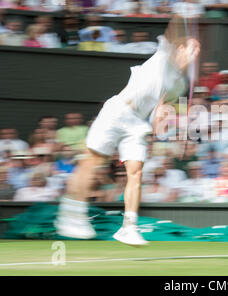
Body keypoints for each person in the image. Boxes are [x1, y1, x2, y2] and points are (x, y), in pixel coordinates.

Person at [55, 17, 200, 246]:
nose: (194, 54)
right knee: (92, 163)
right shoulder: (164, 55)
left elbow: (159, 110)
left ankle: (129, 227)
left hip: (137, 124)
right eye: (191, 48)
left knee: (136, 172)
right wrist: (183, 16)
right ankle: (71, 213)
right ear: (179, 47)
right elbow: (173, 28)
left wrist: (161, 116)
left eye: (197, 51)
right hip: (116, 112)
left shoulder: (179, 84)